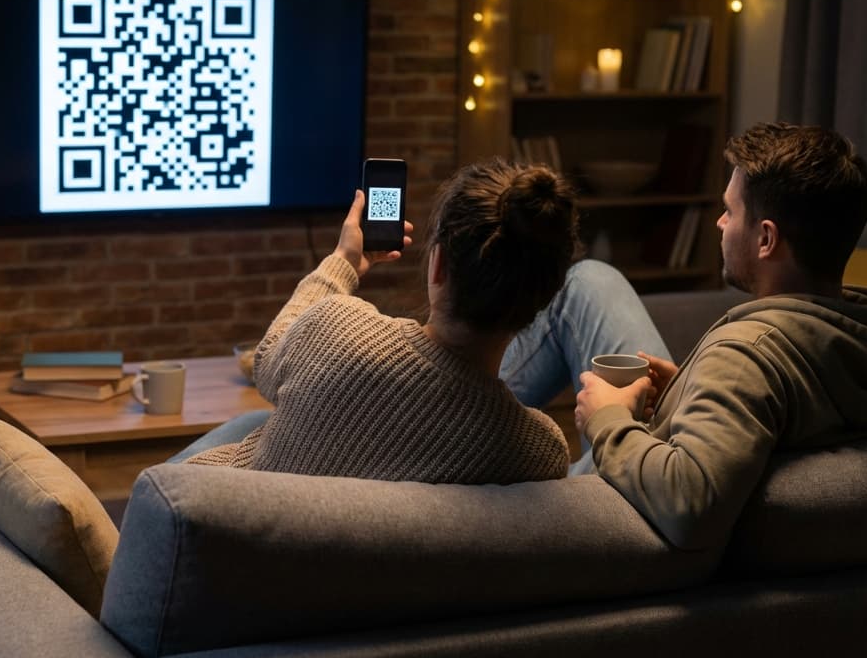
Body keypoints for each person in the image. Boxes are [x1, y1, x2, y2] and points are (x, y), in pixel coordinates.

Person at [511, 122, 867, 553]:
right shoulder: (847, 335)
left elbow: (689, 505)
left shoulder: (744, 359)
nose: (719, 223)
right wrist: (688, 388)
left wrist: (608, 421)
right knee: (589, 280)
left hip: (601, 504)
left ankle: (441, 414)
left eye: (730, 212)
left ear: (766, 239)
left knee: (582, 284)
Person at [184, 160, 581, 484]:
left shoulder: (337, 329)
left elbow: (267, 360)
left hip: (225, 540)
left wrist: (342, 262)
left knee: (253, 421)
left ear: (438, 263)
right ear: (547, 293)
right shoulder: (538, 451)